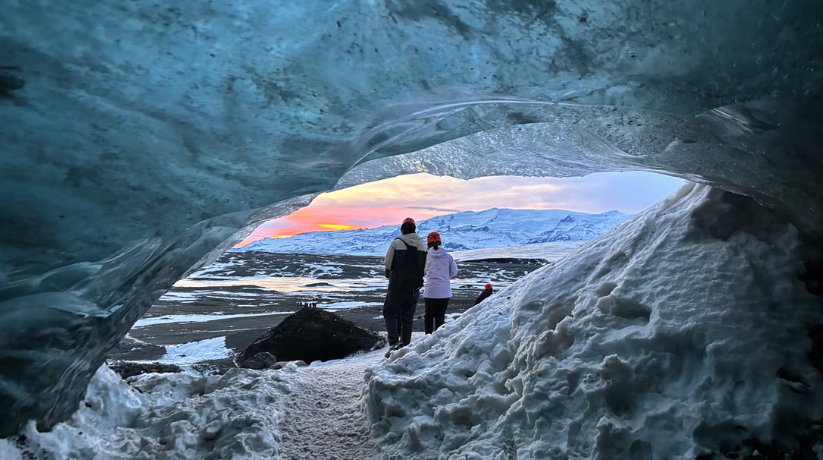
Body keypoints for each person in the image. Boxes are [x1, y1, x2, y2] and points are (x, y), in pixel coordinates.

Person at [383, 217, 427, 352]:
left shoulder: (396, 243)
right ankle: (405, 346)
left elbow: (387, 263)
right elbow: (425, 269)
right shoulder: (423, 246)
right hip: (414, 288)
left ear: (402, 229)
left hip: (397, 285)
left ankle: (394, 343)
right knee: (407, 318)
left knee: (390, 312)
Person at [423, 231, 458, 334]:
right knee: (440, 316)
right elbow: (454, 271)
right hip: (444, 291)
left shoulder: (426, 256)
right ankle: (438, 339)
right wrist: (445, 278)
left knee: (428, 316)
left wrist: (430, 277)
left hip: (430, 290)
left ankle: (427, 338)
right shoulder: (448, 256)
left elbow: (423, 271)